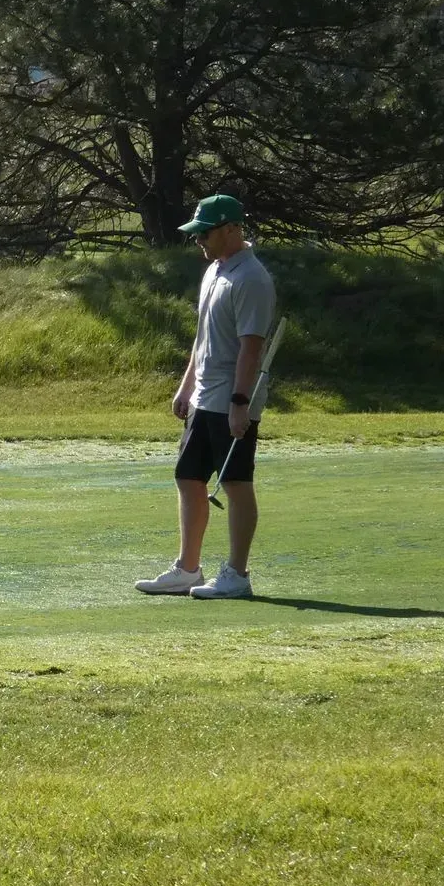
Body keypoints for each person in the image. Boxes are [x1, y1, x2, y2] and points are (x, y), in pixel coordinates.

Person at [135, 194, 277, 601]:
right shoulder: (214, 270)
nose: (200, 240)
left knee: (235, 484)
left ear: (232, 229)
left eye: (206, 232)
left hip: (231, 400)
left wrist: (239, 402)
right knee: (188, 477)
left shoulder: (252, 278)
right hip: (203, 397)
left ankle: (237, 574)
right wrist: (186, 386)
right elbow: (202, 337)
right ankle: (187, 569)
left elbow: (250, 347)